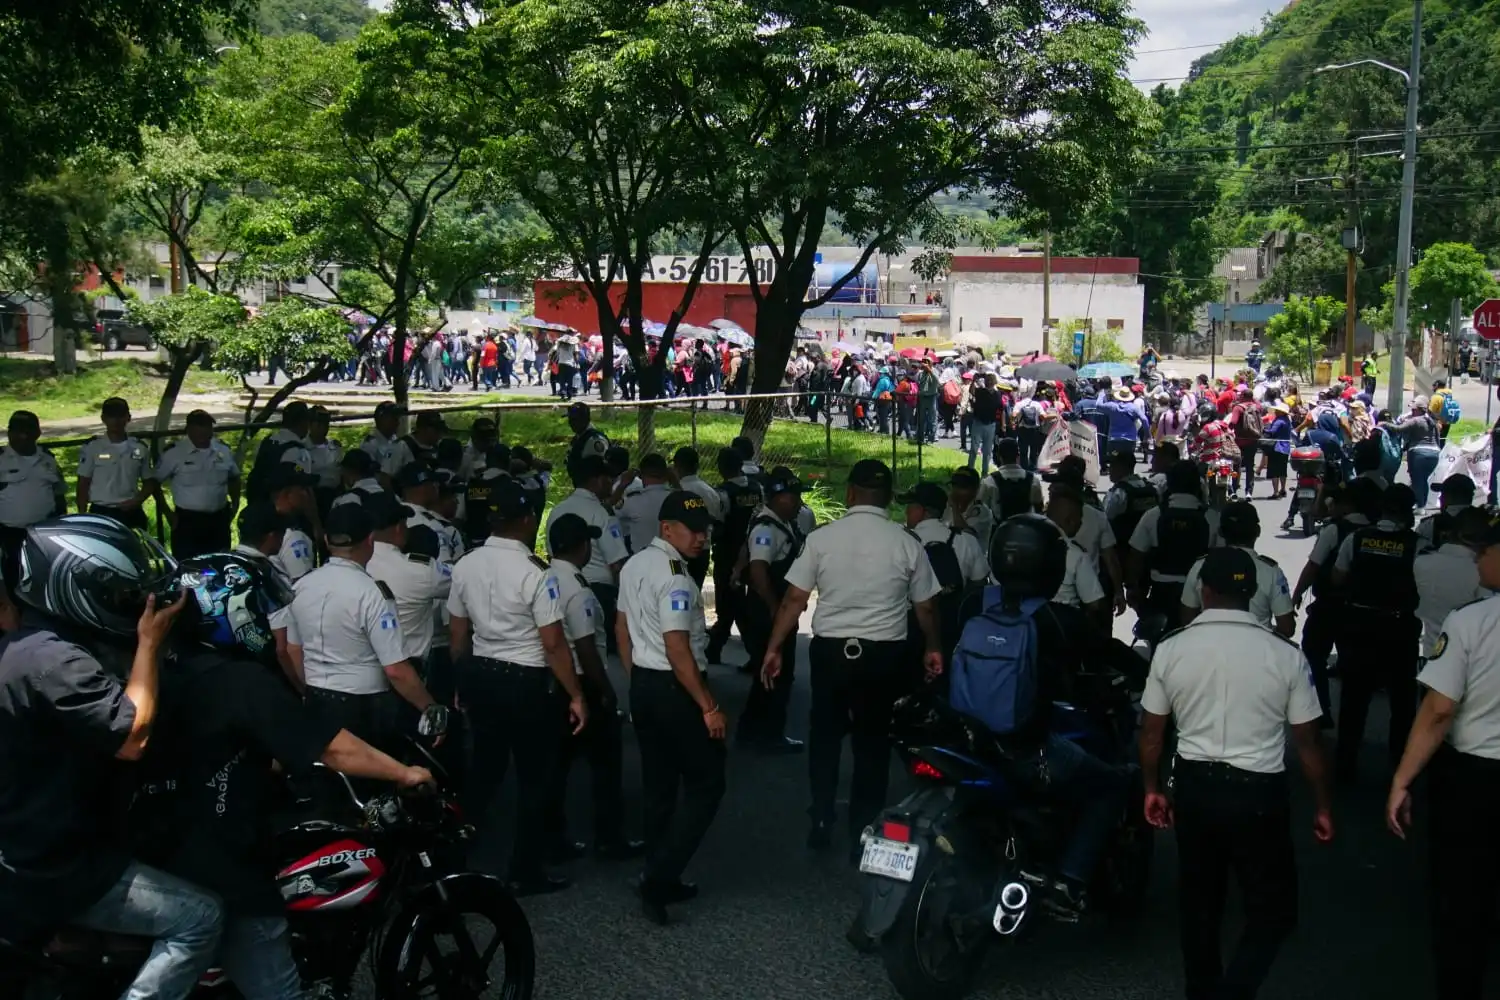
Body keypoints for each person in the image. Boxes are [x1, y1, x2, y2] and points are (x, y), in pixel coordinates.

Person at [133, 552, 432, 1000]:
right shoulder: (241, 682)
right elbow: (333, 747)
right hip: (223, 862)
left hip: (158, 848)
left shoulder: (162, 667)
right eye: (258, 608)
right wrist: (403, 771)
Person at [0, 515, 224, 1000]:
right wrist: (149, 643)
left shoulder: (30, 647)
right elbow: (133, 735)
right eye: (125, 595)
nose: (137, 606)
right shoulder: (52, 661)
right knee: (200, 917)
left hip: (36, 844)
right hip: (57, 867)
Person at [1139, 547, 1333, 1000]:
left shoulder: (1171, 649)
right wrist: (1323, 805)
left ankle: (1203, 991)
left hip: (1195, 788)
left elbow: (1151, 734)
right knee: (1274, 911)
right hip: (1260, 795)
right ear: (1250, 593)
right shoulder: (1284, 655)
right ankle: (1236, 990)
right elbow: (1308, 742)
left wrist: (1152, 789)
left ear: (1204, 591)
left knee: (1200, 902)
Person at [950, 514, 1139, 918]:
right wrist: (1151, 671)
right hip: (1026, 749)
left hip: (963, 738)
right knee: (1112, 786)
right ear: (1051, 564)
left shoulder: (971, 604)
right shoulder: (1058, 619)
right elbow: (1106, 652)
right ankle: (1069, 883)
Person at [761, 460, 943, 855]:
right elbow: (926, 607)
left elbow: (795, 598)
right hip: (884, 656)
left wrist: (774, 647)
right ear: (890, 498)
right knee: (872, 743)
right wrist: (932, 646)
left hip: (830, 654)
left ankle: (822, 813)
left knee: (824, 737)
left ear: (849, 493)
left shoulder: (823, 539)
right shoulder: (905, 543)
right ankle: (863, 825)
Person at [449, 478, 587, 895]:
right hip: (524, 680)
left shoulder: (465, 564)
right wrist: (577, 695)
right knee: (534, 778)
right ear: (527, 520)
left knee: (484, 774)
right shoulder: (535, 573)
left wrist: (462, 680)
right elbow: (553, 643)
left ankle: (450, 856)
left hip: (481, 674)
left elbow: (458, 633)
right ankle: (524, 870)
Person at [1386, 510, 1500, 1000]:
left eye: (1487, 552)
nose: (1479, 560)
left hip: (1477, 780)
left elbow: (1438, 709)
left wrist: (1402, 780)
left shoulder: (1473, 622)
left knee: (1463, 900)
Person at [616, 491, 725, 923]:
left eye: (706, 530)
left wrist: (638, 677)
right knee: (707, 783)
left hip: (646, 682)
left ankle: (658, 874)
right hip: (676, 688)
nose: (702, 538)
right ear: (666, 529)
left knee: (660, 785)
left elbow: (621, 627)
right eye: (693, 530)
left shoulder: (636, 563)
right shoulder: (677, 575)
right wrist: (709, 705)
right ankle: (659, 877)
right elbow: (677, 647)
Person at [287, 502, 445, 757]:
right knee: (375, 785)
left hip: (316, 699)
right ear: (370, 541)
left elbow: (292, 649)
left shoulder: (300, 587)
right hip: (363, 708)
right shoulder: (374, 594)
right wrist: (430, 707)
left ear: (327, 540)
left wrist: (308, 690)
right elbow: (395, 669)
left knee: (329, 781)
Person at [543, 513, 643, 864]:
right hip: (583, 679)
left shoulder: (543, 576)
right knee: (606, 763)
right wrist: (606, 691)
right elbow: (586, 647)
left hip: (555, 679)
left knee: (557, 765)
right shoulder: (577, 588)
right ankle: (609, 837)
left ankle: (553, 837)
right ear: (581, 546)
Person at [1330, 482, 1421, 782]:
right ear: (1408, 514)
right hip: (1399, 630)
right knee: (1403, 702)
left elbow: (1338, 577)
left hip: (1359, 626)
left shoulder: (1357, 538)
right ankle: (1400, 766)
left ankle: (1344, 765)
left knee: (1354, 700)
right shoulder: (1417, 545)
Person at [738, 467, 811, 753]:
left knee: (768, 674)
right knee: (776, 673)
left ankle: (754, 731)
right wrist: (773, 610)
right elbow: (758, 569)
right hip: (768, 612)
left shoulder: (782, 524)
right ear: (776, 498)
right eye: (791, 496)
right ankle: (767, 734)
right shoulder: (767, 529)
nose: (796, 502)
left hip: (777, 611)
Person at [544, 455, 630, 653]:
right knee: (597, 651)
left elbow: (551, 556)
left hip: (560, 588)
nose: (611, 483)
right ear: (597, 480)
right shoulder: (601, 513)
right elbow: (617, 564)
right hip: (600, 593)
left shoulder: (557, 510)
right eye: (608, 479)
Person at [1180, 502, 1294, 636]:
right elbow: (1287, 628)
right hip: (1257, 649)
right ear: (1257, 531)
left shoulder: (1200, 566)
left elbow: (1187, 619)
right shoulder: (1271, 571)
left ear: (1221, 532)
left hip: (1209, 648)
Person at [1127, 460, 1221, 619]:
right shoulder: (1211, 517)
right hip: (1200, 595)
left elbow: (1136, 554)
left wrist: (1132, 588)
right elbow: (1221, 558)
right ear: (1198, 484)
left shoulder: (1153, 515)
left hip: (1161, 593)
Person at [151, 409, 241, 559]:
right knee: (188, 566)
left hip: (218, 519)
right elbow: (154, 482)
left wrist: (236, 504)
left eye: (207, 426)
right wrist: (168, 514)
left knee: (219, 562)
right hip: (188, 521)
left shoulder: (222, 451)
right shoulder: (175, 453)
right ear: (189, 430)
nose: (204, 431)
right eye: (199, 426)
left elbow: (234, 477)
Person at [706, 447, 762, 665]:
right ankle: (716, 648)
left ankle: (752, 653)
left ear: (721, 468)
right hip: (754, 551)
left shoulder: (723, 492)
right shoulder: (757, 487)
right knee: (738, 603)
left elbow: (719, 525)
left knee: (729, 603)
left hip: (728, 554)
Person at [0, 410, 66, 593]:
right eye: (17, 431)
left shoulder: (48, 459)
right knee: (14, 580)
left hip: (45, 533)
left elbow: (59, 493)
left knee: (46, 579)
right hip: (11, 535)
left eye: (27, 431)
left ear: (37, 433)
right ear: (9, 432)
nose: (22, 436)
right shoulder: (1, 459)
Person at [76, 397, 152, 530]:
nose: (116, 421)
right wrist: (83, 515)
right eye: (111, 416)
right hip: (102, 511)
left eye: (120, 416)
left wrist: (138, 500)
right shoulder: (93, 448)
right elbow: (83, 483)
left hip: (131, 511)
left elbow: (149, 480)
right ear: (103, 418)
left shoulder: (139, 447)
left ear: (128, 418)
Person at [245, 401, 313, 506]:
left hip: (258, 507)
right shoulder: (299, 452)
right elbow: (301, 489)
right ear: (303, 423)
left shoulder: (267, 441)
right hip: (284, 511)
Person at [672, 446, 723, 585]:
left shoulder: (673, 491)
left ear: (676, 466)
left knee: (677, 591)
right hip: (703, 551)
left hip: (679, 552)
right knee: (695, 592)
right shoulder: (710, 492)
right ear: (697, 466)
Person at [1384, 396, 1442, 508]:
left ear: (1420, 410)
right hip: (1434, 454)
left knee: (1417, 480)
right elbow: (1438, 439)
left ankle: (1420, 505)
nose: (1412, 411)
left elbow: (1398, 429)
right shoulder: (1432, 422)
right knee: (1423, 480)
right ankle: (1422, 503)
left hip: (1418, 453)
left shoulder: (1415, 421)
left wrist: (1385, 424)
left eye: (1414, 409)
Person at [617, 452, 675, 554]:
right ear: (666, 474)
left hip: (641, 560)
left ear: (641, 475)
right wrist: (675, 481)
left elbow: (608, 512)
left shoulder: (633, 501)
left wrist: (622, 485)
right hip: (672, 559)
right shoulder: (677, 498)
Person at [979, 436, 1044, 523]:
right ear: (1018, 456)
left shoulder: (989, 482)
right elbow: (1039, 507)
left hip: (998, 531)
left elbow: (980, 509)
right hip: (1027, 530)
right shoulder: (1033, 480)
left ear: (999, 456)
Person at [1418, 473, 1476, 552]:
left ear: (1453, 497)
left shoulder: (1430, 524)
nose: (1440, 498)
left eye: (1443, 494)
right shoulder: (1486, 522)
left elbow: (1417, 553)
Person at [942, 466, 994, 553]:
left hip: (973, 560)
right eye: (954, 485)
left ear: (975, 489)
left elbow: (965, 535)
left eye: (962, 487)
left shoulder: (981, 511)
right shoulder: (948, 506)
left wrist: (955, 508)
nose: (956, 491)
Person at [360, 401, 410, 481]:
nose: (397, 422)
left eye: (397, 418)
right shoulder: (370, 445)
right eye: (393, 418)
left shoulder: (396, 440)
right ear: (381, 419)